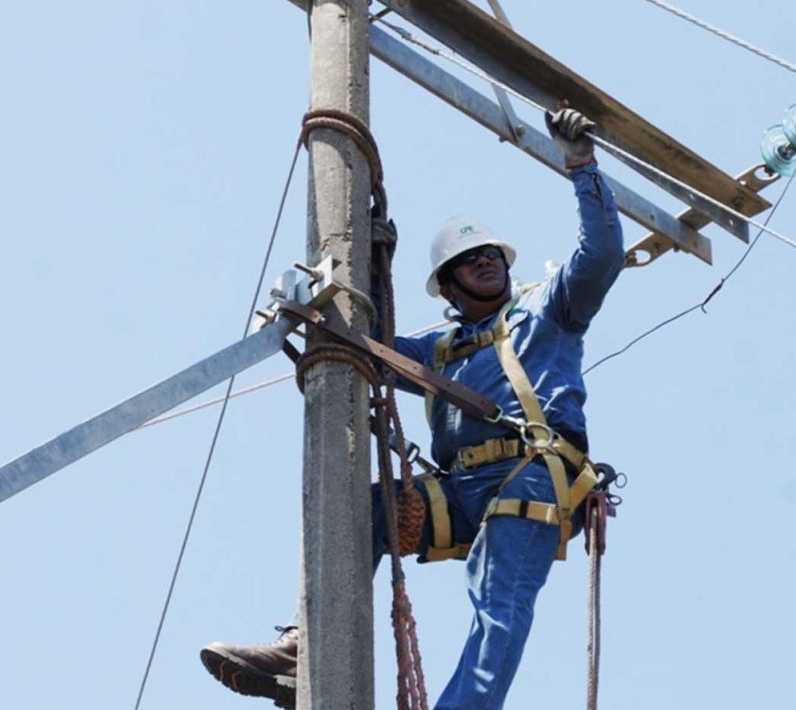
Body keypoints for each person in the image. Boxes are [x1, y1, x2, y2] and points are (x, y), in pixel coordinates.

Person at [200, 107, 624, 709]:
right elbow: (359, 342)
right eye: (467, 261)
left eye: (490, 255)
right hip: (462, 489)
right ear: (448, 288)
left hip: (534, 477)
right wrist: (324, 301)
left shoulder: (548, 313)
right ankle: (305, 649)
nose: (484, 261)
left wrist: (580, 166)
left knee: (498, 604)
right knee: (366, 508)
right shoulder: (440, 351)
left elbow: (601, 255)